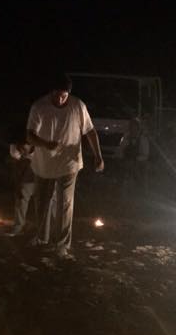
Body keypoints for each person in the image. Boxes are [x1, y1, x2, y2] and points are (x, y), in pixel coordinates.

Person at [26, 73, 104, 259]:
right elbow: (29, 136)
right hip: (44, 164)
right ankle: (42, 237)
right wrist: (46, 144)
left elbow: (90, 131)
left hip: (69, 163)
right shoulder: (39, 107)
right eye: (58, 95)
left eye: (64, 96)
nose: (61, 99)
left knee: (65, 204)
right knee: (42, 201)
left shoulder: (78, 106)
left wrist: (98, 156)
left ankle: (61, 245)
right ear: (51, 92)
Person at [8, 137, 36, 236]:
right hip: (25, 180)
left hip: (41, 177)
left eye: (25, 147)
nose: (23, 150)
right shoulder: (15, 150)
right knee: (20, 202)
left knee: (46, 204)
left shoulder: (41, 147)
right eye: (21, 148)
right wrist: (18, 184)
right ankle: (18, 227)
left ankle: (46, 231)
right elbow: (17, 168)